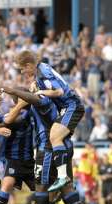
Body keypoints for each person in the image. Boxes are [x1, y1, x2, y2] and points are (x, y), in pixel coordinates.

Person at [1, 85, 89, 204]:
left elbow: (21, 110)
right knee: (65, 186)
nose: (18, 105)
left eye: (19, 101)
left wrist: (15, 93)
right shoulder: (40, 105)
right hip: (63, 146)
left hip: (48, 149)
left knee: (41, 187)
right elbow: (13, 119)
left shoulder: (41, 102)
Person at [15, 50, 84, 192]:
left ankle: (63, 177)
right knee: (60, 139)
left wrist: (41, 92)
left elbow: (59, 92)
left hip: (71, 105)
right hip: (67, 107)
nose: (22, 72)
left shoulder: (43, 72)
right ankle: (66, 179)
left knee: (54, 136)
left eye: (22, 68)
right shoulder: (41, 69)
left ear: (28, 65)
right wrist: (36, 83)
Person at [0, 94, 36, 204]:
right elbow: (11, 121)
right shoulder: (13, 114)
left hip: (29, 161)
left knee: (42, 191)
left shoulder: (32, 113)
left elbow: (9, 122)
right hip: (13, 159)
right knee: (6, 185)